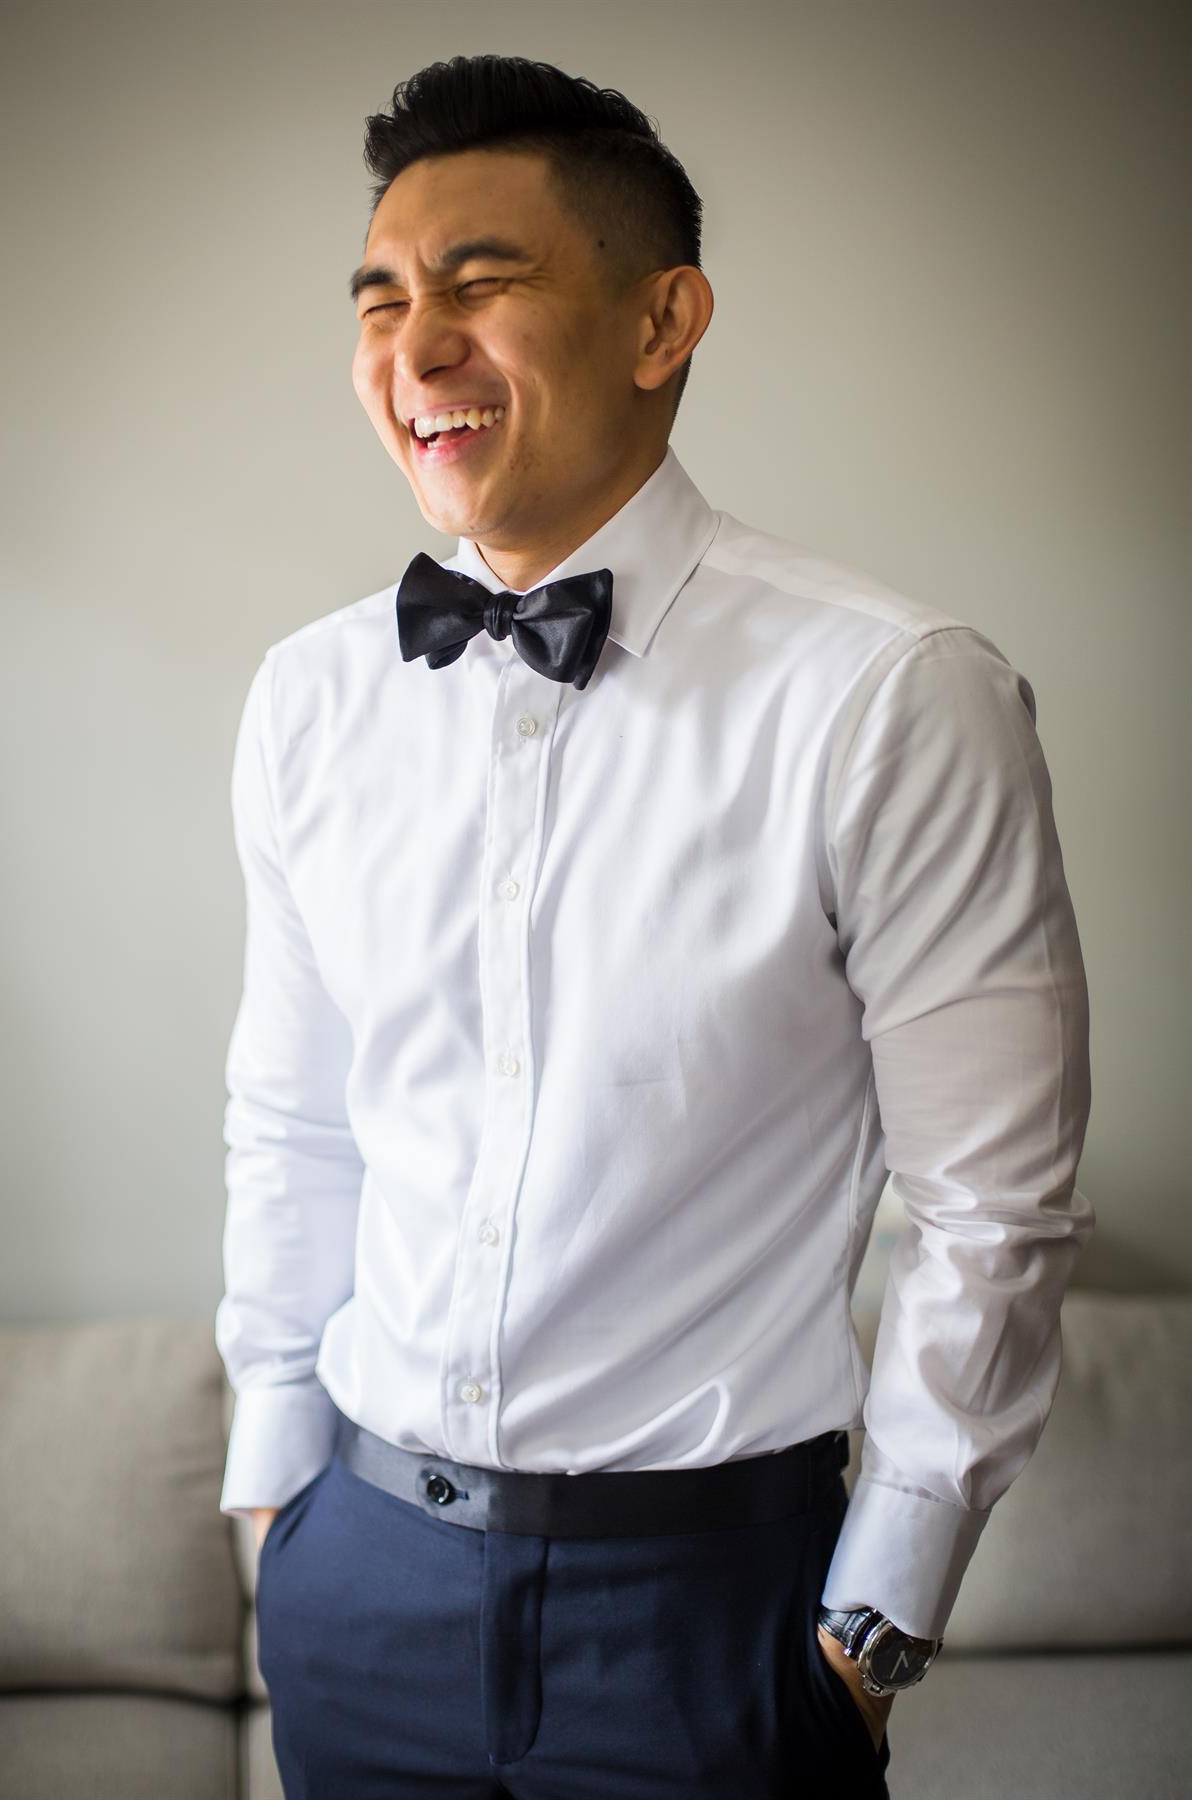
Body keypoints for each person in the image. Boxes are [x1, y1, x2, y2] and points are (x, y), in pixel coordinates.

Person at [214, 53, 1093, 1800]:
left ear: (661, 320)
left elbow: (993, 1209)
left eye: (480, 282)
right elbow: (293, 1126)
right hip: (356, 1582)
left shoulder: (894, 696)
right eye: (381, 301)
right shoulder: (309, 701)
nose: (415, 349)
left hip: (707, 1621)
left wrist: (873, 1630)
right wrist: (274, 1508)